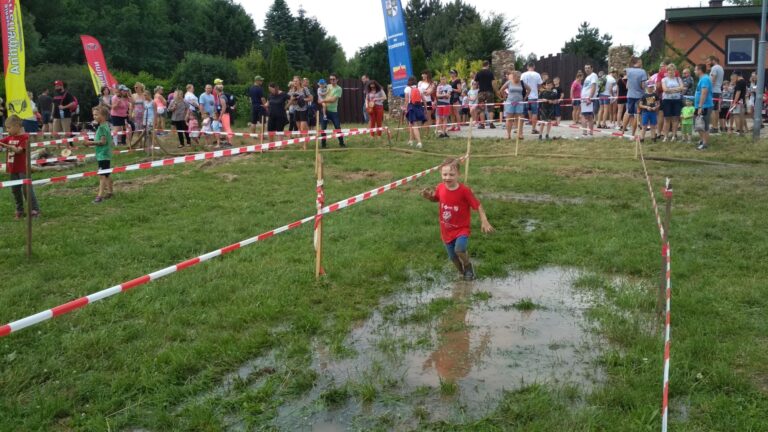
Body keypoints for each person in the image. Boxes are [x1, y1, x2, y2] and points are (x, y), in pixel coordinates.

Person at [420, 158, 494, 281]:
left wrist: (484, 220)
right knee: (453, 257)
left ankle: (468, 266)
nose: (447, 177)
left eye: (451, 174)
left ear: (458, 174)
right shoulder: (440, 187)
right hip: (446, 230)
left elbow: (477, 205)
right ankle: (462, 272)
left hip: (461, 229)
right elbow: (436, 198)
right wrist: (429, 197)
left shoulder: (464, 191)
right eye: (444, 174)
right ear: (441, 174)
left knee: (459, 249)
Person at [0, 115, 40, 219]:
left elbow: (19, 150)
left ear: (17, 126)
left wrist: (11, 147)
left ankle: (34, 210)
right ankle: (19, 210)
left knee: (27, 190)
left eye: (9, 128)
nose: (7, 130)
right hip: (13, 168)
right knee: (15, 190)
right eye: (6, 128)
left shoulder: (25, 137)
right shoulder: (9, 137)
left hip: (23, 168)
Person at [86, 106, 113, 203]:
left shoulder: (101, 128)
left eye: (96, 115)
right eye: (93, 115)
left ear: (104, 116)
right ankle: (110, 192)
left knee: (102, 175)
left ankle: (99, 196)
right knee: (107, 174)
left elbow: (102, 142)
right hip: (106, 154)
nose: (94, 117)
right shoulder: (106, 125)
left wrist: (90, 143)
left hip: (103, 154)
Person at [621, 57, 648, 136]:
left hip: (630, 95)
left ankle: (622, 132)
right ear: (638, 62)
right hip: (639, 96)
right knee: (637, 115)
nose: (642, 63)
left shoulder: (628, 71)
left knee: (628, 113)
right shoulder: (642, 72)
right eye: (641, 62)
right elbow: (643, 86)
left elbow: (627, 86)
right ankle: (633, 134)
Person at [320, 73, 345, 148]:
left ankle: (341, 143)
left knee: (337, 127)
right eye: (330, 79)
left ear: (337, 80)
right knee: (323, 128)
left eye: (333, 79)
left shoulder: (339, 89)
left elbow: (333, 100)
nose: (332, 81)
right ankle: (323, 145)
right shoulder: (327, 86)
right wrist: (322, 100)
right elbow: (321, 94)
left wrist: (323, 101)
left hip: (333, 111)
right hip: (325, 110)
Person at [661, 63, 684, 141]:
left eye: (672, 70)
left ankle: (674, 135)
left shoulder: (678, 79)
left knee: (675, 118)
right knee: (667, 118)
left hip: (677, 100)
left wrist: (670, 90)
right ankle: (666, 136)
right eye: (669, 70)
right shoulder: (664, 79)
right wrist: (676, 89)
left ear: (675, 70)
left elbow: (681, 88)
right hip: (667, 100)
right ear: (667, 71)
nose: (671, 71)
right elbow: (665, 90)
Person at [499, 71, 524, 140]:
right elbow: (501, 90)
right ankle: (508, 134)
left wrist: (525, 97)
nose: (519, 78)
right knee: (509, 118)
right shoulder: (509, 82)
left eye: (520, 77)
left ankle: (520, 134)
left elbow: (529, 89)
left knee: (519, 119)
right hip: (510, 102)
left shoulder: (522, 83)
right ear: (514, 76)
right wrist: (505, 97)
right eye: (518, 77)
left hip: (519, 103)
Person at [694, 63, 714, 150]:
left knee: (704, 125)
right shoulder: (702, 79)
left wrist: (700, 106)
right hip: (700, 105)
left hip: (705, 106)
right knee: (698, 123)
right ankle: (702, 140)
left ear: (700, 70)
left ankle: (705, 144)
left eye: (695, 69)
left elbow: (704, 93)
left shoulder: (705, 79)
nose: (694, 71)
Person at [521, 62, 543, 134]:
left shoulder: (523, 74)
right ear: (534, 67)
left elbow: (521, 85)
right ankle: (533, 129)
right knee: (534, 113)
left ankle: (520, 129)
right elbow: (539, 86)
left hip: (524, 97)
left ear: (527, 67)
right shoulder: (537, 74)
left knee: (522, 113)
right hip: (534, 96)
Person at [404, 75, 426, 148]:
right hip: (419, 107)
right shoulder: (419, 88)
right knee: (411, 124)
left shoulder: (407, 89)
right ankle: (411, 140)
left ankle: (419, 142)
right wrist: (425, 108)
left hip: (411, 107)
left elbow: (407, 100)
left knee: (414, 125)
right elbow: (424, 99)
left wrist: (405, 108)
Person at [475, 61, 495, 129]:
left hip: (481, 92)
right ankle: (491, 123)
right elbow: (493, 83)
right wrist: (495, 91)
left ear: (482, 65)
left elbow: (476, 83)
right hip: (489, 91)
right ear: (488, 65)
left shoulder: (478, 73)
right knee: (491, 108)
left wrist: (479, 86)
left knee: (481, 109)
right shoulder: (490, 73)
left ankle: (482, 124)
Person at [707, 55, 724, 133]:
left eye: (709, 61)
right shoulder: (721, 68)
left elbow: (712, 80)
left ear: (713, 60)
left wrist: (708, 89)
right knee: (716, 110)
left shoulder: (714, 68)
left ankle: (714, 127)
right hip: (718, 91)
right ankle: (716, 127)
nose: (708, 63)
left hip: (713, 91)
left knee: (712, 110)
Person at [581, 64, 599, 136]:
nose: (587, 69)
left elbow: (593, 86)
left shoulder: (593, 75)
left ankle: (586, 132)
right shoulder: (587, 77)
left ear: (592, 68)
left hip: (588, 99)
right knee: (588, 116)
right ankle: (589, 132)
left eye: (588, 68)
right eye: (585, 68)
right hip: (584, 99)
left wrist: (589, 98)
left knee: (585, 116)